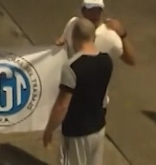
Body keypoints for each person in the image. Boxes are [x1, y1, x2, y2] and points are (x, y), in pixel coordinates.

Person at [43, 18, 114, 165]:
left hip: (76, 132)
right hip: (98, 128)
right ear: (93, 37)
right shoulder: (107, 61)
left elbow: (62, 106)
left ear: (74, 37)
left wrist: (49, 129)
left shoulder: (71, 67)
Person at [55, 0, 136, 66]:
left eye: (97, 10)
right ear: (83, 11)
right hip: (72, 76)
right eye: (90, 10)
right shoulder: (72, 24)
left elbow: (131, 60)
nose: (94, 14)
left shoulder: (109, 35)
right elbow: (62, 41)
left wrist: (123, 35)